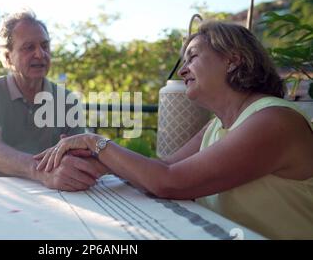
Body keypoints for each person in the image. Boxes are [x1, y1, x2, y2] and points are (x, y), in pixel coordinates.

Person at [35, 21, 313, 239]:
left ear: (233, 60)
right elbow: (164, 164)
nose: (182, 71)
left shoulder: (274, 121)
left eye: (192, 57)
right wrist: (101, 163)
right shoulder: (219, 123)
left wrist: (95, 142)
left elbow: (170, 181)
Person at [0, 9, 107, 191]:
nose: (40, 54)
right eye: (29, 47)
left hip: (48, 195)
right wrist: (40, 171)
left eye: (45, 46)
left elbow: (83, 154)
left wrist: (78, 157)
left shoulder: (67, 100)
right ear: (8, 56)